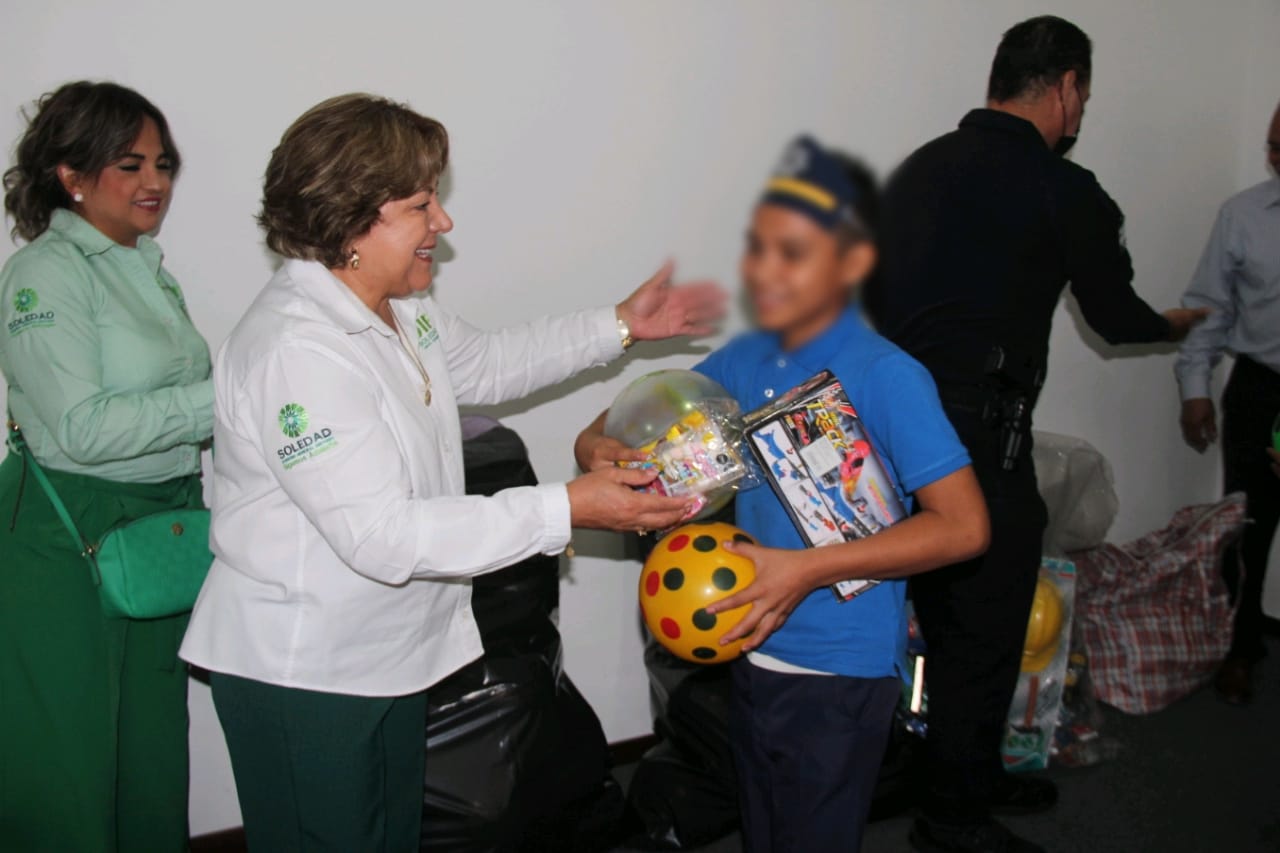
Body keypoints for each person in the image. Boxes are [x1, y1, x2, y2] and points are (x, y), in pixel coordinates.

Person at [177, 93, 724, 852]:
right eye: (420, 204)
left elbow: (492, 362)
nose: (443, 221)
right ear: (350, 221)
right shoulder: (297, 350)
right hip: (306, 670)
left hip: (383, 653)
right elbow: (384, 534)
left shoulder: (399, 306)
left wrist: (622, 324)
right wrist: (567, 508)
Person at [576, 137, 990, 853]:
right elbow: (613, 425)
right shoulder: (746, 357)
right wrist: (596, 448)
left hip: (841, 666)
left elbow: (964, 528)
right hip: (754, 649)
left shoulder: (888, 374)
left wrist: (802, 570)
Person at [865, 16, 1208, 853]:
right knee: (982, 628)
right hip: (981, 442)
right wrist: (1174, 323)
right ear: (1062, 86)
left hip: (885, 434)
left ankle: (955, 774)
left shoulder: (915, 169)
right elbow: (1114, 316)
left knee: (922, 615)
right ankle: (952, 820)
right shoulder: (1065, 187)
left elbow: (871, 302)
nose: (1081, 111)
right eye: (1082, 93)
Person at [0, 82, 208, 852]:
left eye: (162, 163)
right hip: (68, 537)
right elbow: (82, 429)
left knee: (152, 754)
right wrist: (226, 402)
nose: (154, 182)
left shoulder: (146, 267)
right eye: (130, 164)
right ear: (72, 175)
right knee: (69, 765)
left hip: (159, 527)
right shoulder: (43, 275)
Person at [1175, 100, 1280, 705]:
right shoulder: (1243, 215)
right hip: (1261, 388)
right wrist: (1195, 390)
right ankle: (1239, 648)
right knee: (1246, 527)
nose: (1274, 159)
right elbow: (1209, 308)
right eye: (1272, 146)